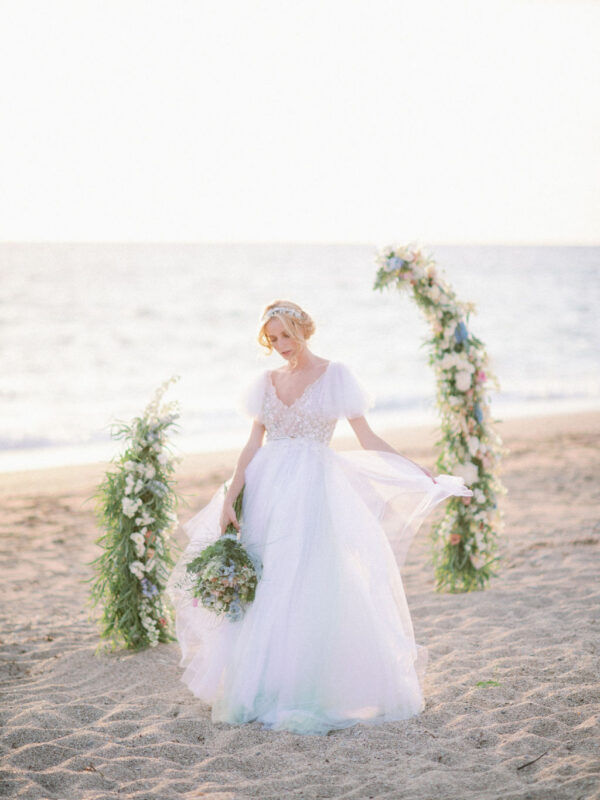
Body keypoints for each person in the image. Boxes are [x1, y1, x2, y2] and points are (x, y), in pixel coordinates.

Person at [166, 300, 473, 736]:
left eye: (287, 335)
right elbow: (252, 444)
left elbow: (366, 437)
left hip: (314, 489)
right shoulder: (265, 382)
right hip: (267, 487)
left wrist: (415, 470)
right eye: (272, 340)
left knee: (312, 579)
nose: (281, 346)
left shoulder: (335, 376)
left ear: (304, 330)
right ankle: (259, 687)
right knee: (266, 583)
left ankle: (310, 690)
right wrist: (231, 497)